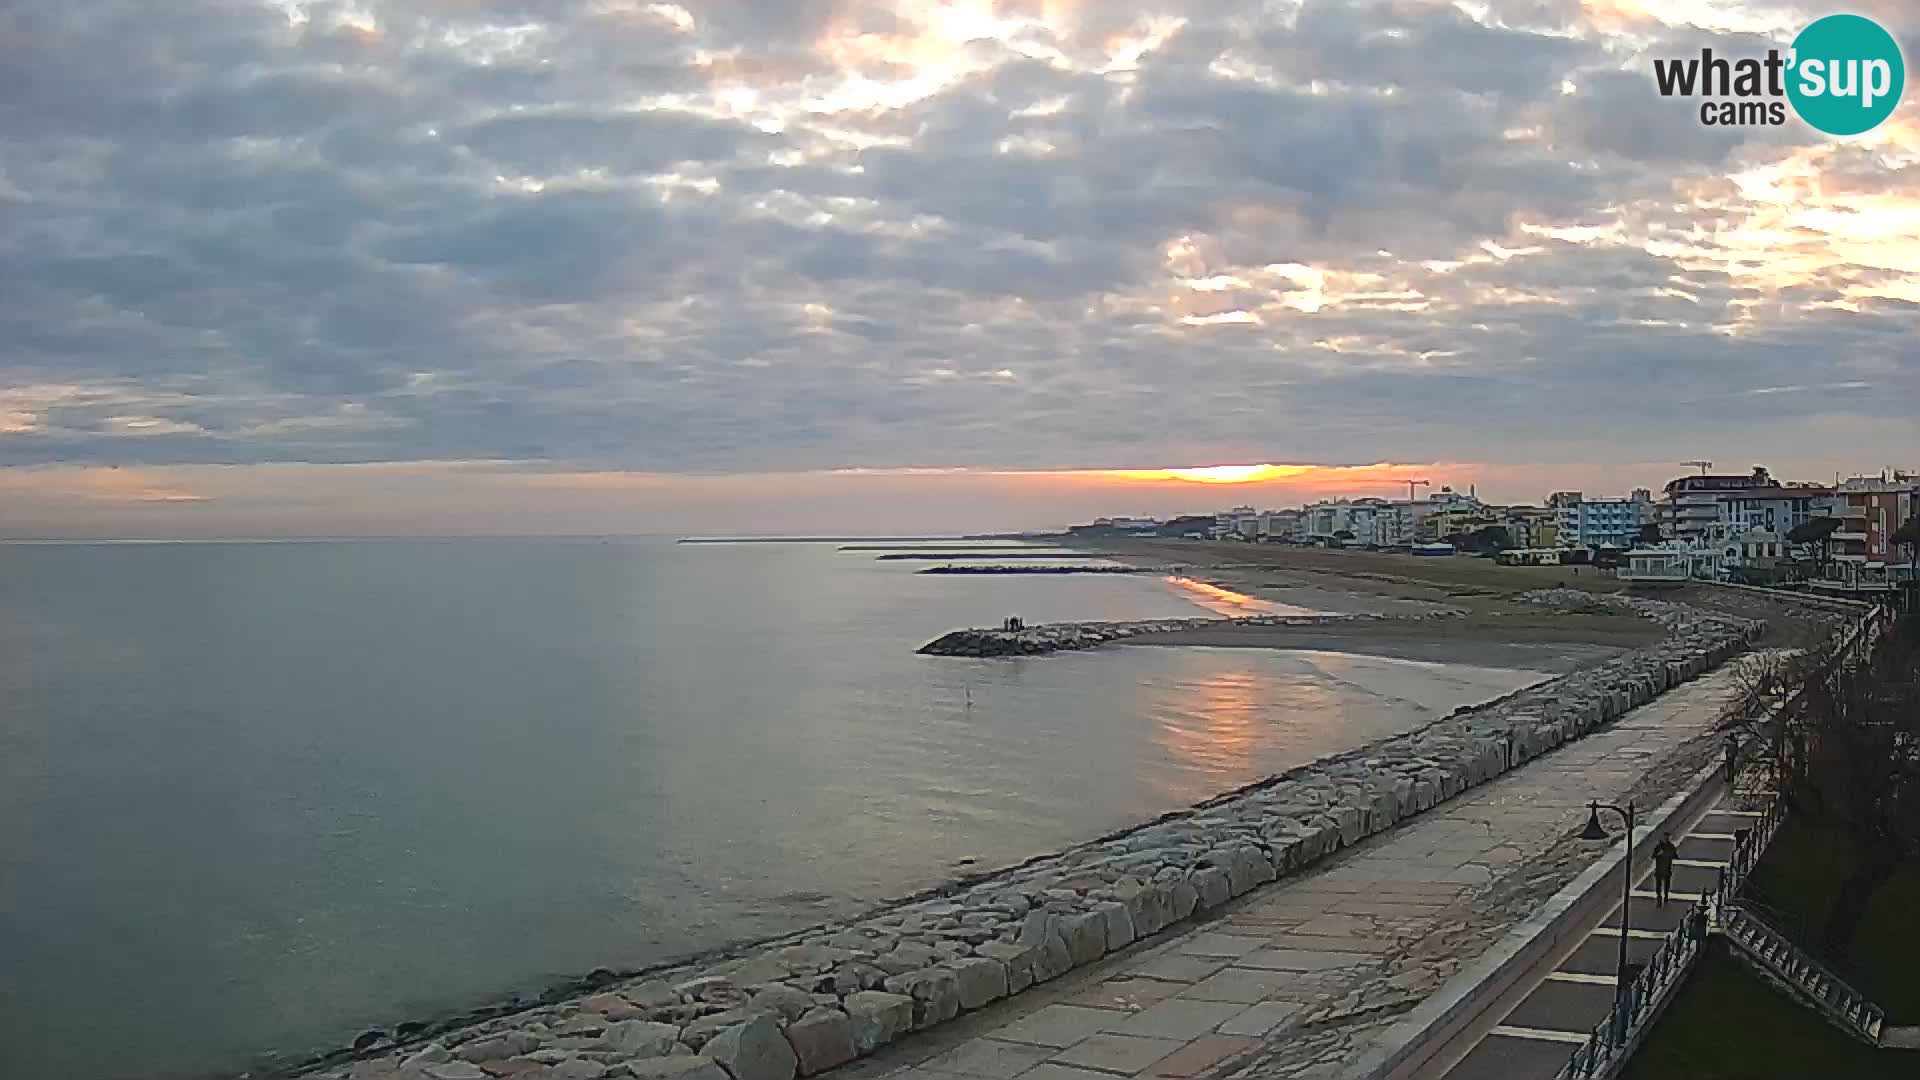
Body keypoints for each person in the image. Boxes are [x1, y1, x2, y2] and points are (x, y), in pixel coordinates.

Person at [1652, 833, 1679, 906]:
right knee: (1659, 885)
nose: (1666, 839)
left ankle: (1665, 896)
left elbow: (1675, 856)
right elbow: (1653, 856)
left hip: (1665, 869)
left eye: (1667, 837)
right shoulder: (1659, 846)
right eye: (1665, 837)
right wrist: (1658, 854)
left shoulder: (1671, 847)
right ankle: (1659, 897)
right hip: (1660, 869)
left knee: (1665, 885)